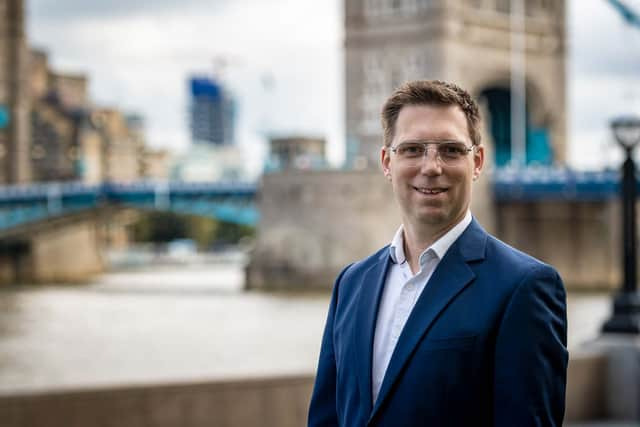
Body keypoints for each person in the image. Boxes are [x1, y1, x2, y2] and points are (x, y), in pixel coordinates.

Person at [308, 80, 568, 427]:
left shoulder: (524, 287)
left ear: (477, 161)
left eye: (450, 150)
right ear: (387, 162)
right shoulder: (351, 284)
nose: (431, 166)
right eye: (413, 149)